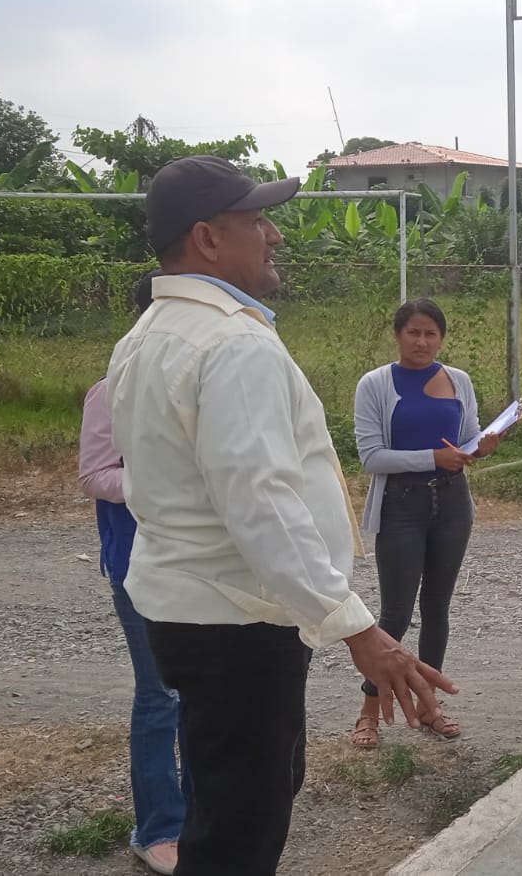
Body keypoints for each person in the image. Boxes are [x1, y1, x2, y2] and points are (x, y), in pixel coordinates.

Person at [105, 156, 456, 876]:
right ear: (207, 239)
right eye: (257, 221)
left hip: (199, 609)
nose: (276, 236)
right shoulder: (231, 344)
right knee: (239, 831)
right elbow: (258, 500)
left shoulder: (148, 334)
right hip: (238, 620)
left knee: (230, 800)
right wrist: (356, 626)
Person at [349, 298, 499, 748]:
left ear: (441, 339)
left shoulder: (459, 380)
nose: (421, 341)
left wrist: (480, 446)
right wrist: (433, 457)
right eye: (413, 332)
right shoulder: (375, 384)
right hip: (400, 505)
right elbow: (371, 456)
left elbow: (467, 438)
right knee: (396, 612)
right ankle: (369, 712)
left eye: (430, 333)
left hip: (452, 504)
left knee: (437, 608)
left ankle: (430, 707)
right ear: (397, 335)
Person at [78, 272, 186, 876]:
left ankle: (201, 816)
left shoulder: (197, 384)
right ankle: (159, 827)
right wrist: (160, 484)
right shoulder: (111, 390)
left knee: (199, 691)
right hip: (139, 563)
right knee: (160, 693)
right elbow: (95, 475)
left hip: (200, 561)